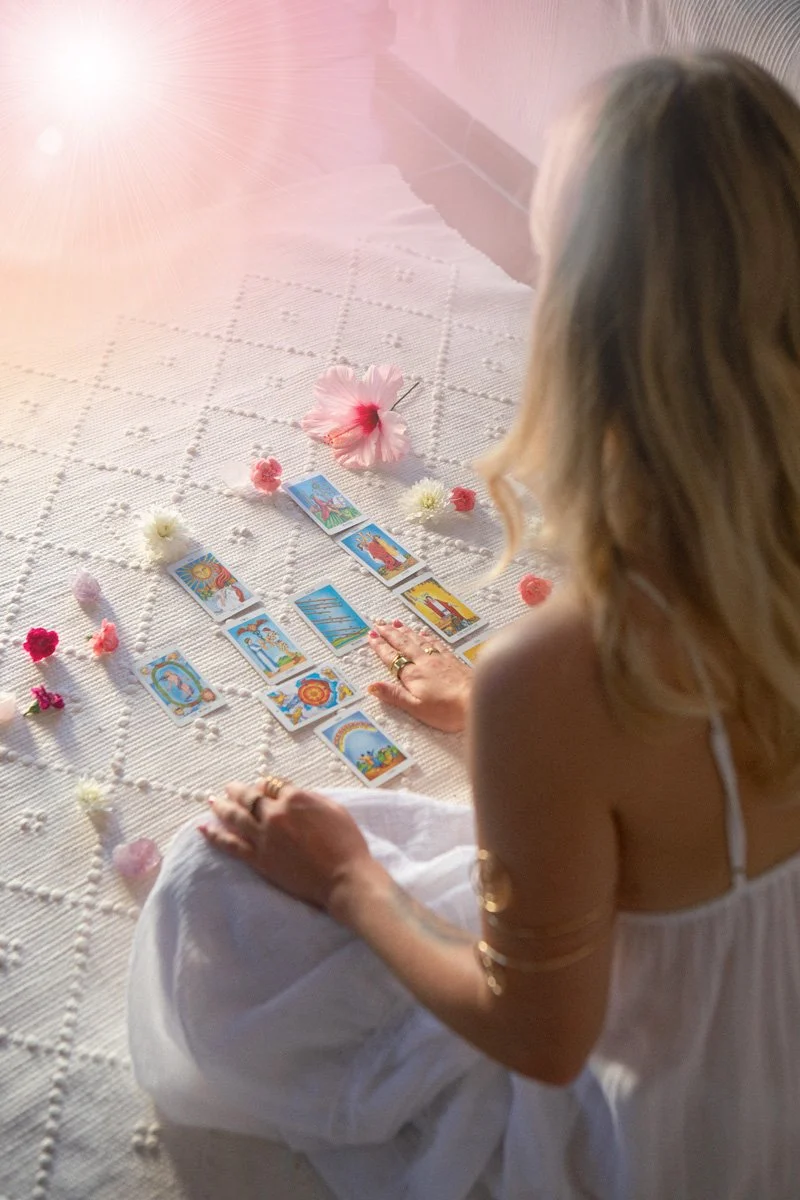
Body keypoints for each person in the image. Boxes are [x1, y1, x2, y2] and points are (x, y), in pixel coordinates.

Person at [126, 52, 800, 1199]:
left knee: (206, 886)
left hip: (676, 1128)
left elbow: (540, 1037)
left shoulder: (558, 676)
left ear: (573, 320)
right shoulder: (571, 675)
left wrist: (346, 879)